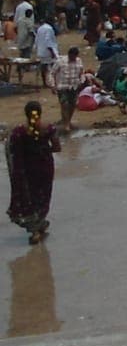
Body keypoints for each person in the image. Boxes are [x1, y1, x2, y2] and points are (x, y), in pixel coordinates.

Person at [6, 101, 59, 244]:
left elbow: (12, 151)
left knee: (30, 196)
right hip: (44, 168)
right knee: (43, 196)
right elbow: (57, 147)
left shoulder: (18, 132)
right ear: (40, 113)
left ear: (26, 113)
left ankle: (35, 229)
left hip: (27, 170)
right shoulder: (49, 128)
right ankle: (39, 224)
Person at [51, 46, 86, 131]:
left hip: (74, 86)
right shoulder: (60, 61)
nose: (73, 58)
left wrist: (82, 81)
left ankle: (68, 121)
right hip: (62, 86)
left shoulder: (79, 61)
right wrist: (53, 85)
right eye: (72, 56)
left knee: (72, 105)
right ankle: (66, 124)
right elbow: (52, 73)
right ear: (69, 55)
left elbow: (81, 73)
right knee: (64, 104)